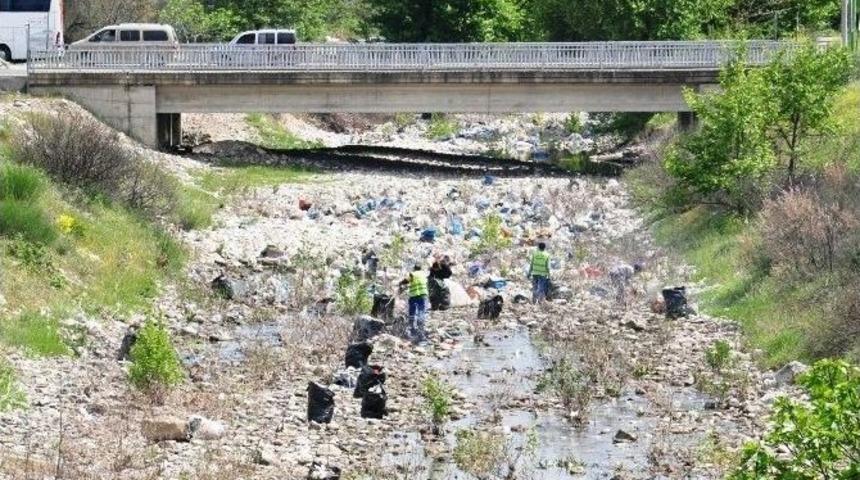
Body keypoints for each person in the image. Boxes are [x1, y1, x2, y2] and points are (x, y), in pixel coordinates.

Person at [399, 265, 429, 344]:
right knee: (421, 311)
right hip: (423, 295)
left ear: (414, 269)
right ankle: (421, 327)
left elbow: (405, 281)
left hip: (414, 296)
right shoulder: (424, 274)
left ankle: (412, 327)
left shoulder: (412, 274)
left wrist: (400, 283)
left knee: (412, 312)